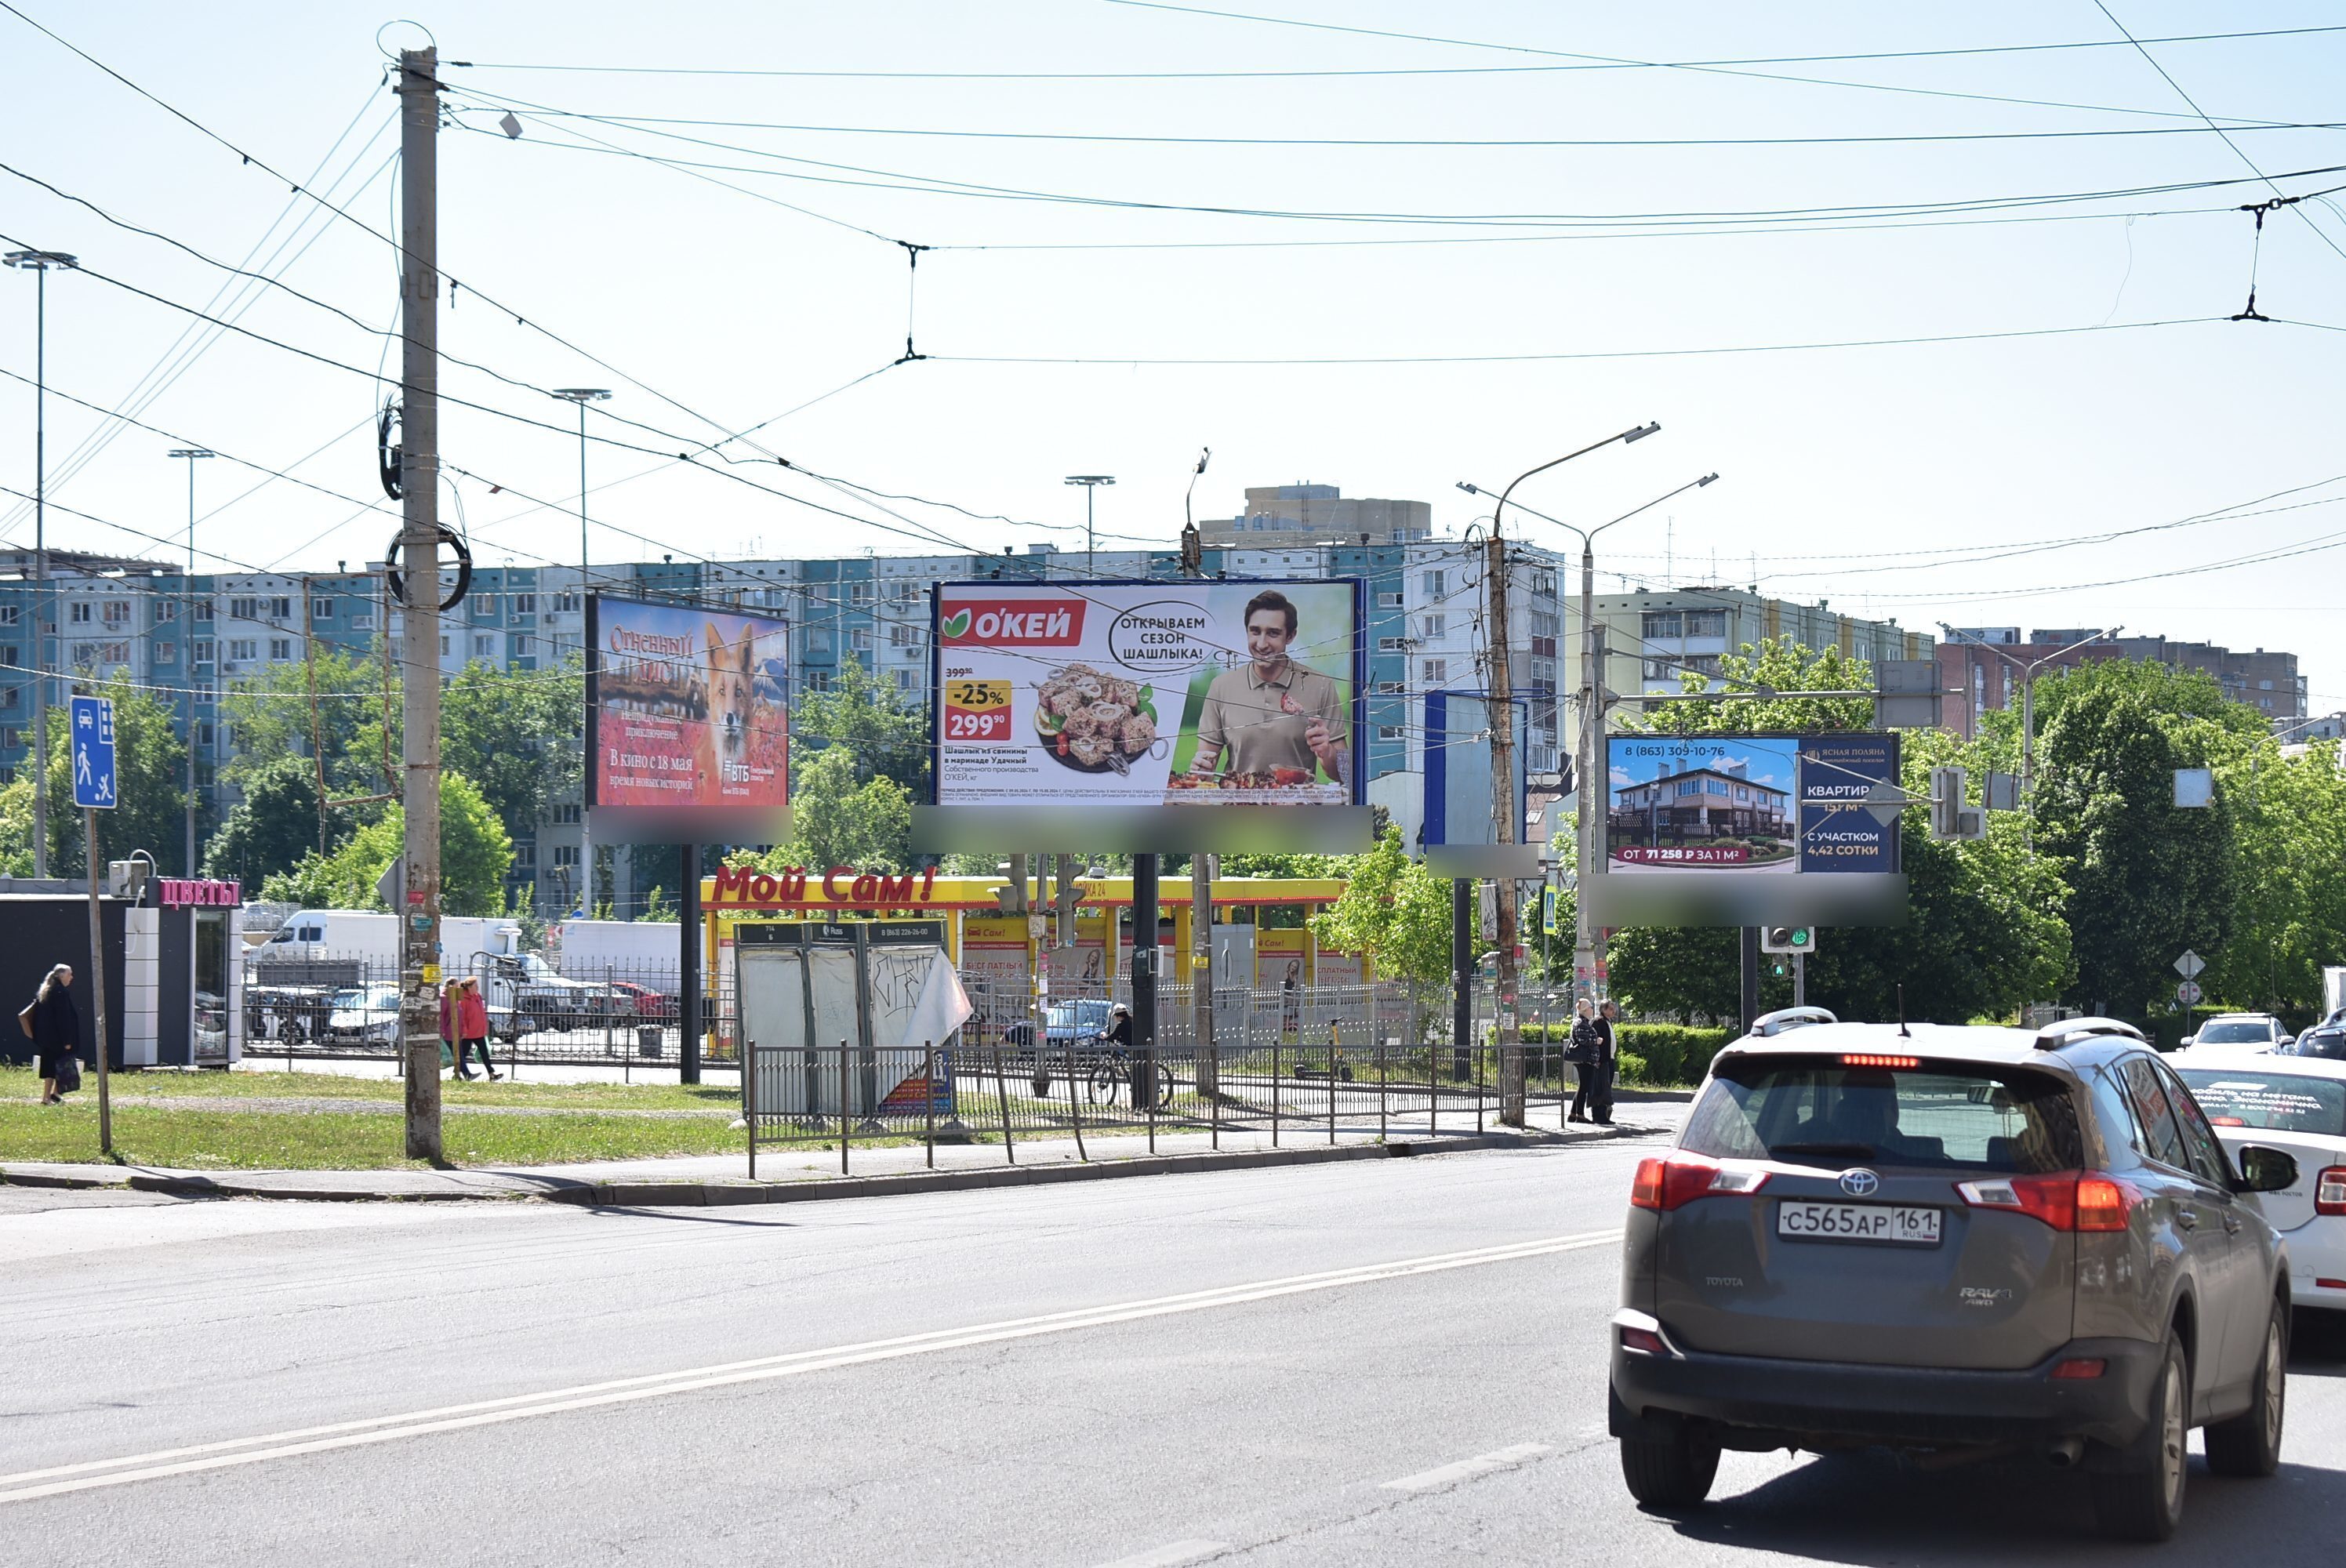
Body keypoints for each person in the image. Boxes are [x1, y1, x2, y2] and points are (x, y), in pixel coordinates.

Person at [1187, 589, 1349, 786]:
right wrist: (1201, 771)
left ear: (1290, 636)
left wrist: (1326, 752)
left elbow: (1344, 774)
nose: (1262, 644)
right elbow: (1205, 769)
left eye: (1273, 633)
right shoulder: (1221, 687)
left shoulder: (1321, 685)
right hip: (1237, 801)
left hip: (1298, 802)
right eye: (1255, 631)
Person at [28, 963, 79, 1104]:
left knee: (50, 1068)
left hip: (47, 1039)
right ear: (61, 976)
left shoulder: (46, 991)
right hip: (58, 1039)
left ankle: (50, 1096)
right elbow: (63, 1018)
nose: (72, 977)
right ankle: (51, 1096)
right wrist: (67, 1041)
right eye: (69, 974)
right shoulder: (60, 993)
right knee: (60, 1067)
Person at [459, 975, 499, 1080]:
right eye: (475, 986)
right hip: (468, 1033)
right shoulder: (463, 999)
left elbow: (482, 1014)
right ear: (469, 987)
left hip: (478, 1031)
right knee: (463, 1054)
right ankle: (458, 1073)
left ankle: (492, 1074)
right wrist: (464, 1030)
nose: (478, 987)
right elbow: (462, 1017)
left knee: (484, 1053)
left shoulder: (478, 997)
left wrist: (484, 1028)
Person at [1567, 1000, 1600, 1123]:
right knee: (1584, 1087)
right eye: (1591, 1007)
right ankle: (1580, 1115)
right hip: (1585, 1059)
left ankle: (1573, 1113)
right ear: (1585, 1010)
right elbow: (1583, 1041)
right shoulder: (1581, 1023)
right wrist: (1596, 1041)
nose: (1592, 1009)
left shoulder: (1583, 1022)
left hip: (1586, 1059)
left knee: (1583, 1086)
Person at [1590, 1000, 1622, 1127]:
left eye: (1614, 1009)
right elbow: (1595, 1041)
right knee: (1600, 1087)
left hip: (1609, 1059)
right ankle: (1598, 1116)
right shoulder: (1598, 1022)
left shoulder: (1608, 1022)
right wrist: (1597, 1059)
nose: (1614, 1011)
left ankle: (1604, 1115)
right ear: (1603, 1010)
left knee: (1606, 1087)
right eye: (1611, 1009)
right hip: (1601, 1060)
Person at [438, 978, 463, 1078]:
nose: (459, 989)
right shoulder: (444, 998)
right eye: (457, 986)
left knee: (458, 1055)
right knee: (452, 1055)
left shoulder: (455, 998)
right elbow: (441, 1015)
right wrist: (442, 1030)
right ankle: (464, 1073)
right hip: (448, 1032)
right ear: (451, 986)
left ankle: (459, 1074)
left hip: (455, 1032)